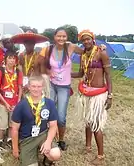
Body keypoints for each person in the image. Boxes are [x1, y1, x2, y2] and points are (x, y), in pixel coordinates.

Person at [43, 27, 106, 151]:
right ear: (54, 37)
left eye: (63, 36)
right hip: (51, 85)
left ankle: (61, 140)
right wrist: (49, 71)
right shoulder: (49, 49)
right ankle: (49, 138)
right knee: (48, 112)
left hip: (64, 87)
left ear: (67, 38)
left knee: (61, 116)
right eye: (58, 36)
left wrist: (99, 47)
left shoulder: (71, 47)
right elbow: (43, 65)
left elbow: (87, 50)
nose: (61, 38)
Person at [71, 30, 112, 165]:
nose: (86, 41)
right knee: (87, 122)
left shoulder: (102, 53)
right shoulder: (83, 55)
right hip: (86, 92)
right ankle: (88, 147)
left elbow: (108, 76)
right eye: (83, 40)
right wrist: (64, 73)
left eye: (88, 39)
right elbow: (80, 73)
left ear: (93, 39)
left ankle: (100, 156)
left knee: (95, 124)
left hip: (98, 94)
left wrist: (110, 95)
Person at [11, 75, 61, 166]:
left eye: (39, 86)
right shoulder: (21, 105)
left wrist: (48, 142)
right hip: (27, 139)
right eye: (33, 86)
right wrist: (15, 149)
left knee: (56, 154)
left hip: (43, 134)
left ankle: (47, 161)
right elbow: (14, 129)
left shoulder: (49, 103)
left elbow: (53, 125)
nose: (36, 89)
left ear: (43, 87)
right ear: (29, 87)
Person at [0, 50, 23, 147]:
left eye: (14, 58)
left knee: (12, 123)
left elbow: (20, 88)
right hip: (3, 103)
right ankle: (0, 140)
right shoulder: (0, 71)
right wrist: (5, 103)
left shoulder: (18, 72)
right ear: (5, 60)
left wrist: (18, 102)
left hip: (14, 103)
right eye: (9, 58)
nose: (12, 61)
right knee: (2, 124)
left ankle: (10, 139)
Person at [10, 31, 50, 97]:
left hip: (35, 83)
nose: (28, 45)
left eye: (31, 43)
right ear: (24, 44)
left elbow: (42, 74)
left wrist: (30, 84)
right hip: (23, 82)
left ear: (34, 44)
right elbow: (18, 71)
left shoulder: (39, 57)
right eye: (26, 43)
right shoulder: (21, 56)